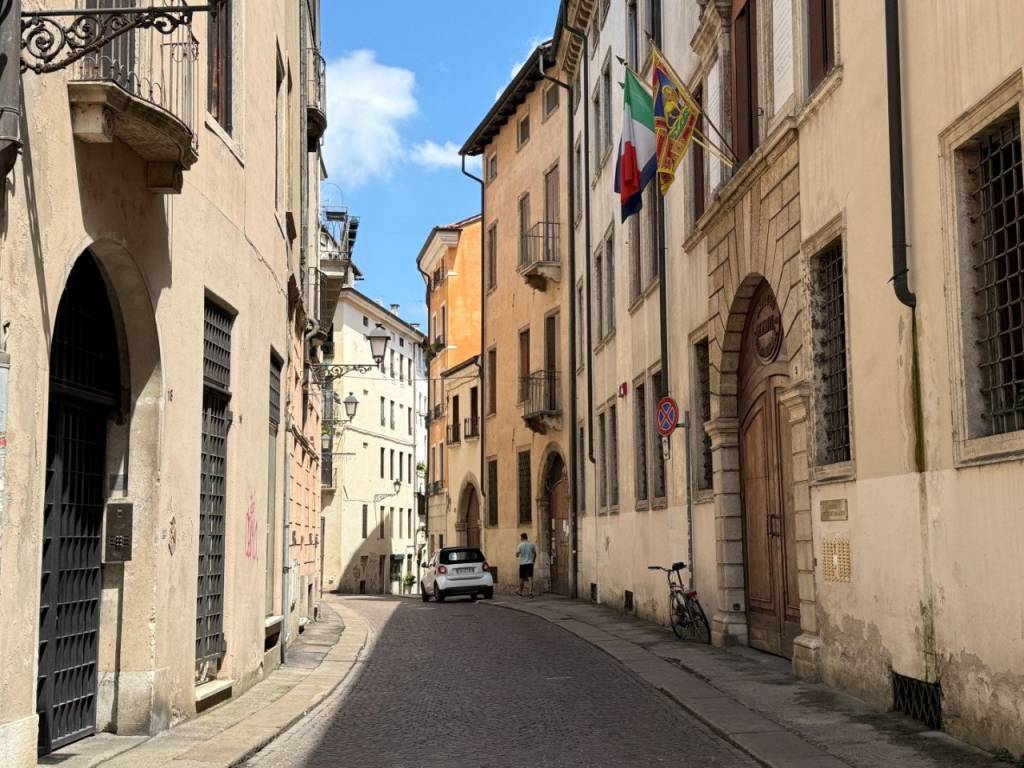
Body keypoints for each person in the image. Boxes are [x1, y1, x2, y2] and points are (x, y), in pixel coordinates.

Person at [515, 532, 537, 598]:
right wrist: (533, 560)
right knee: (530, 578)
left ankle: (520, 592)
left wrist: (518, 554)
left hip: (522, 564)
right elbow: (535, 554)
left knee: (521, 578)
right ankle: (530, 593)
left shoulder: (520, 545)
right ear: (527, 537)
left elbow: (517, 555)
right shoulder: (532, 545)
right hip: (530, 563)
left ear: (522, 538)